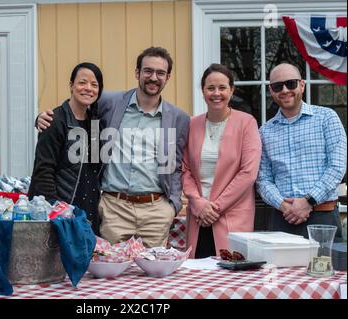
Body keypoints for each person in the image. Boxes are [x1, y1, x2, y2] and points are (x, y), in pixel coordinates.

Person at [37, 47, 190, 248]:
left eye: (160, 73)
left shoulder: (178, 118)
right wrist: (44, 119)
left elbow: (176, 164)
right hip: (114, 209)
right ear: (137, 73)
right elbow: (78, 105)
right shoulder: (110, 102)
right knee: (111, 273)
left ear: (168, 77)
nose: (153, 77)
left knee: (154, 275)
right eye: (148, 71)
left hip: (156, 211)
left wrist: (172, 205)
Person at [257, 63, 347, 238]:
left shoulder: (327, 118)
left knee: (323, 266)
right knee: (278, 267)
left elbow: (337, 166)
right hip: (281, 218)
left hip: (323, 216)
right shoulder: (264, 132)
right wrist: (285, 207)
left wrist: (308, 201)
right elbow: (263, 179)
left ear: (302, 85)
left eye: (291, 83)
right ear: (271, 90)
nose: (284, 90)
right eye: (277, 86)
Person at [182, 64, 262, 258]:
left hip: (232, 217)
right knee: (198, 276)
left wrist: (214, 208)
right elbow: (184, 169)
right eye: (210, 88)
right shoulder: (192, 124)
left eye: (222, 87)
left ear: (231, 90)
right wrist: (199, 204)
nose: (216, 93)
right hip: (199, 217)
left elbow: (248, 172)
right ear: (202, 91)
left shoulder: (246, 122)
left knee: (231, 277)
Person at [27, 62, 103, 235]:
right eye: (82, 82)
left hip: (89, 206)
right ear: (71, 86)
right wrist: (55, 210)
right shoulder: (54, 121)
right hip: (62, 208)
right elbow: (43, 170)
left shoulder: (96, 123)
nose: (88, 89)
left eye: (94, 85)